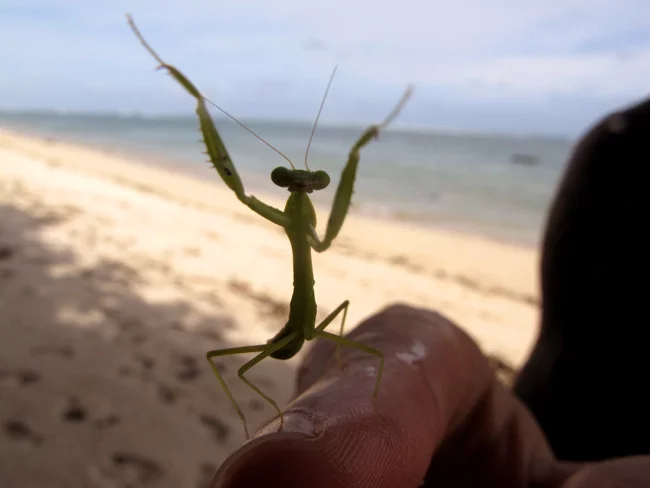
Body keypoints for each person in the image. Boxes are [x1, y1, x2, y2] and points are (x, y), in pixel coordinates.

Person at [211, 97, 650, 488]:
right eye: (297, 182)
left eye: (311, 181)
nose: (305, 185)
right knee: (239, 363)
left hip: (546, 433)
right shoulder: (620, 145)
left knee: (367, 349)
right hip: (290, 343)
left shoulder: (615, 141)